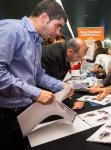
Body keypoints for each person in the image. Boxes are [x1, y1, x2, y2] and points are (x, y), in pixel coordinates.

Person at [0, 0, 74, 149]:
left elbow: (38, 75)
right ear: (44, 18)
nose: (58, 32)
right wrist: (36, 93)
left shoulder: (37, 42)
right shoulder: (12, 30)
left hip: (23, 112)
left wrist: (62, 85)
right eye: (58, 25)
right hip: (4, 116)